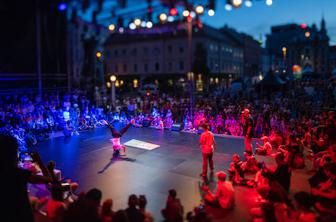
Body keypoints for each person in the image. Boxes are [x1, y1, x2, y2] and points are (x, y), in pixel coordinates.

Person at [1, 134, 52, 222]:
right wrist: (39, 161)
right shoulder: (19, 173)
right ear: (13, 154)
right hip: (22, 215)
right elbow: (48, 179)